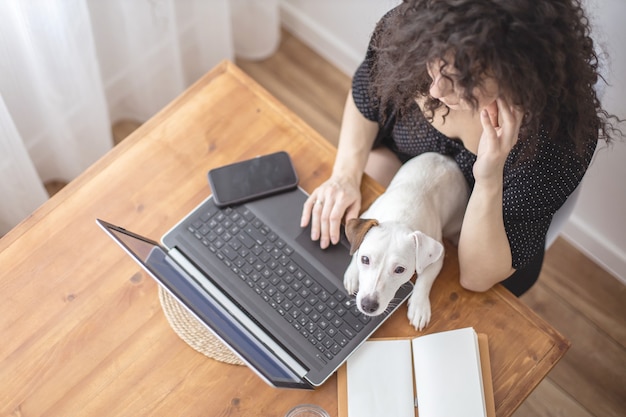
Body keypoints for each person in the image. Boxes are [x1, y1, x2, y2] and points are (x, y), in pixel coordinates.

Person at [299, 0, 622, 296]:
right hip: (406, 182)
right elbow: (366, 92)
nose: (437, 89)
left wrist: (490, 175)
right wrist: (343, 176)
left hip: (485, 230)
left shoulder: (556, 141)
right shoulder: (410, 36)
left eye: (464, 79)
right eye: (435, 63)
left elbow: (476, 277)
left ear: (521, 75)